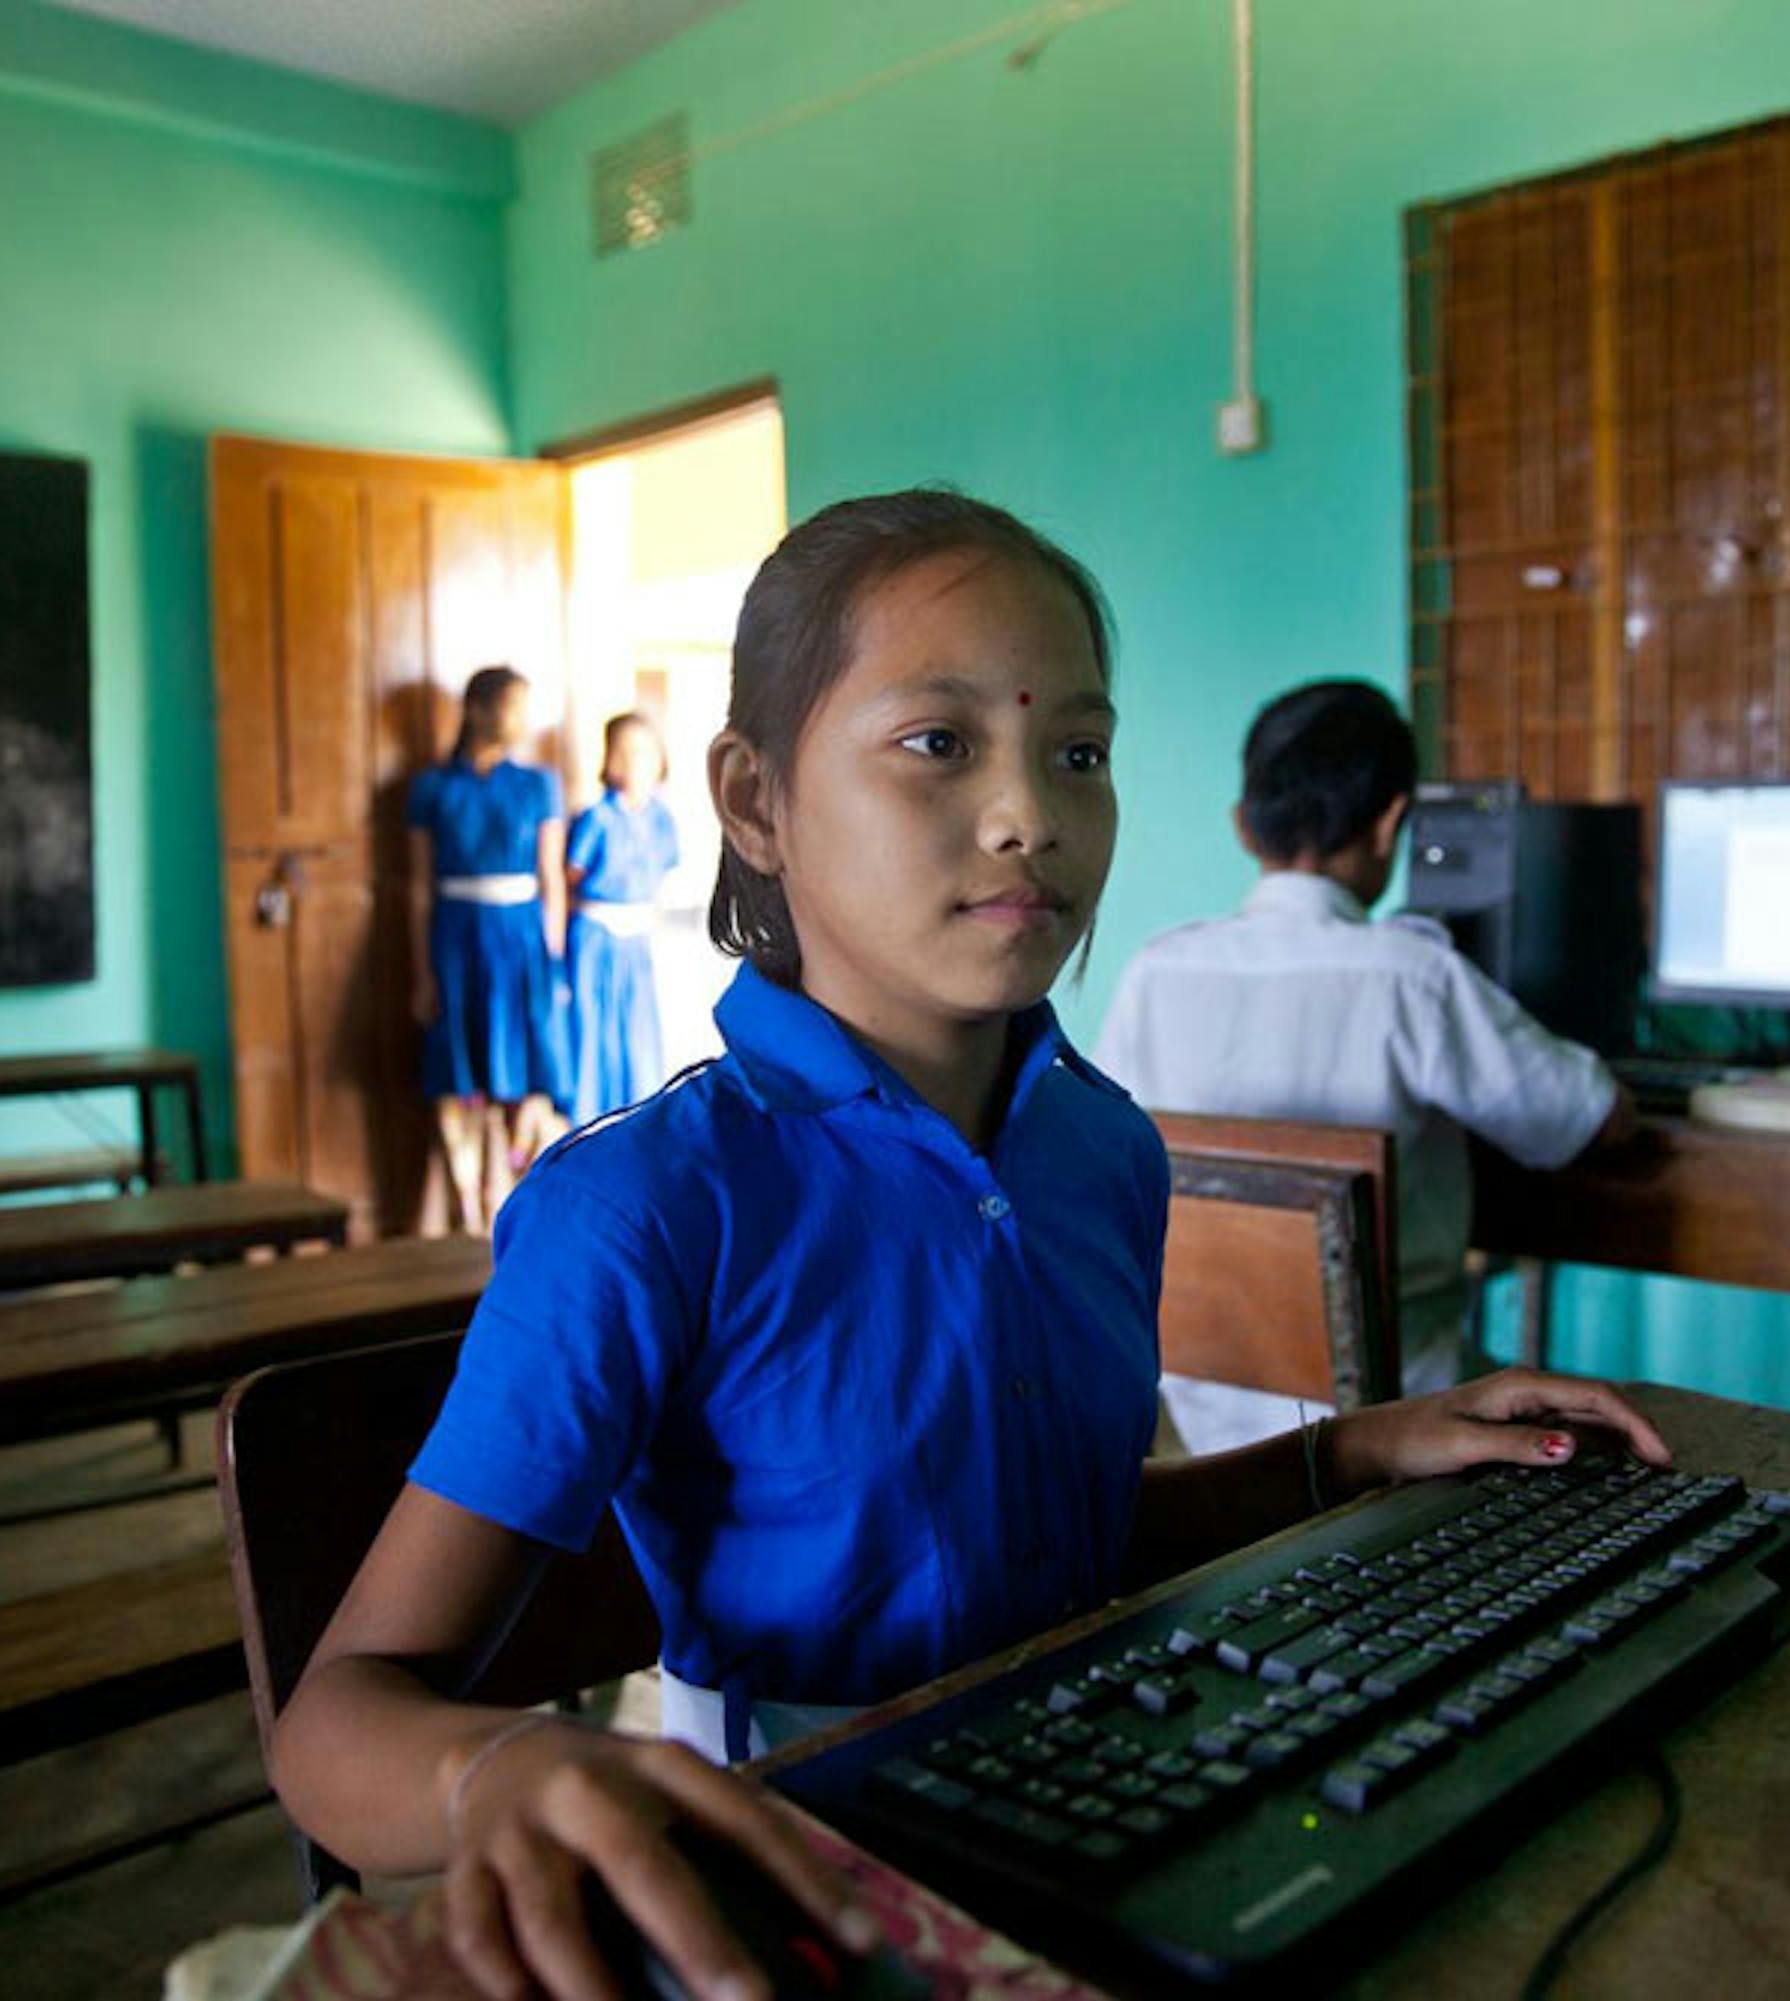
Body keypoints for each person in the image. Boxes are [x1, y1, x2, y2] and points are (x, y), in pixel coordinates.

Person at [270, 492, 1670, 2001]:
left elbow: (1071, 1538)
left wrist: (1360, 1451)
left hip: (1115, 1814)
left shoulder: (1104, 1147)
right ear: (754, 801)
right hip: (810, 1879)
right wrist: (494, 1773)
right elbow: (336, 1720)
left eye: (1078, 751)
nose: (1032, 814)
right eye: (939, 743)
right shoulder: (648, 1203)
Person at [1095, 679, 1634, 1453]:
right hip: (1401, 1423)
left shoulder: (1154, 972)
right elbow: (1587, 1120)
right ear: (1390, 823)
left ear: (1244, 827)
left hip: (1210, 1430)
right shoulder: (1408, 975)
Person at [407, 666, 569, 1231]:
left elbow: (551, 878)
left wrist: (553, 965)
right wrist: (422, 972)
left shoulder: (539, 784)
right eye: (512, 706)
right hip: (456, 937)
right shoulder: (432, 788)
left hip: (521, 938)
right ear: (476, 709)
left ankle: (523, 1205)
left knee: (524, 1068)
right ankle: (468, 1213)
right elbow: (418, 885)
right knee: (458, 1070)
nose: (522, 721)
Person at [563, 711, 684, 1125]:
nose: (636, 764)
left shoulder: (662, 820)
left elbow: (664, 871)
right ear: (610, 760)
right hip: (594, 935)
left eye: (645, 753)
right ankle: (587, 1122)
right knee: (592, 1029)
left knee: (637, 1031)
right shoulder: (595, 819)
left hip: (637, 937)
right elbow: (570, 878)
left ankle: (637, 1118)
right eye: (626, 753)